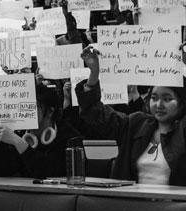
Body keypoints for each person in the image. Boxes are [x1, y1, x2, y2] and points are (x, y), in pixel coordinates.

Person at [76, 46, 186, 184]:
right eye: (154, 97)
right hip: (131, 204)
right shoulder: (136, 124)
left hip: (175, 205)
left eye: (167, 99)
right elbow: (94, 112)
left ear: (182, 103)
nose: (159, 105)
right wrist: (94, 73)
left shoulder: (183, 130)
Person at [0, 84, 82, 179]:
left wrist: (19, 143)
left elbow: (49, 173)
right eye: (23, 106)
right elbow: (1, 172)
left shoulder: (69, 137)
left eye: (32, 107)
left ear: (50, 111)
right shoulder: (20, 133)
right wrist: (0, 139)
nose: (26, 111)